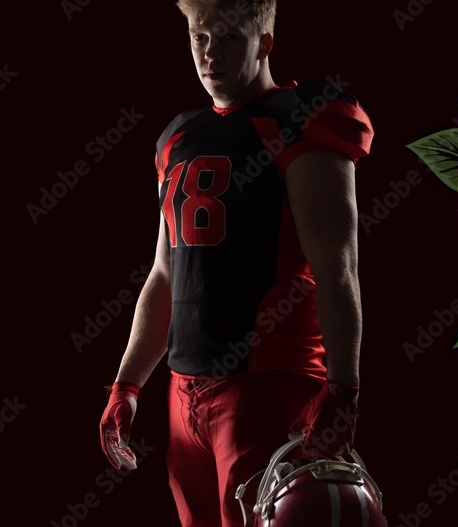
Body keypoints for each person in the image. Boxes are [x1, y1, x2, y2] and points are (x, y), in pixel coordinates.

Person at [99, 0, 374, 525]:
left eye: (227, 38)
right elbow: (164, 273)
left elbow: (338, 268)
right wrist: (126, 384)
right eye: (200, 38)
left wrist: (344, 389)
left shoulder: (299, 119)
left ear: (264, 42)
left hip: (268, 385)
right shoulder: (179, 136)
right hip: (184, 389)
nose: (210, 54)